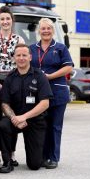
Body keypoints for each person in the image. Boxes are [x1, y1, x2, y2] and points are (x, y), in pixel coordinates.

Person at [0, 44, 53, 173]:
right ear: (14, 58)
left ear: (30, 57)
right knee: (3, 124)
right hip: (15, 119)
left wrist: (24, 117)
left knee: (34, 165)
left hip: (35, 120)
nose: (21, 58)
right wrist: (14, 118)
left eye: (24, 55)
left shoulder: (39, 76)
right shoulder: (10, 78)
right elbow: (4, 104)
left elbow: (45, 103)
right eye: (18, 55)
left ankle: (39, 156)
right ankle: (7, 161)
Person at [30, 18, 74, 169]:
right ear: (39, 31)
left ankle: (53, 157)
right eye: (43, 28)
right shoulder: (32, 48)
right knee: (41, 125)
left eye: (49, 28)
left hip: (57, 91)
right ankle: (41, 156)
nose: (46, 31)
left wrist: (49, 76)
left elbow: (68, 67)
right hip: (38, 93)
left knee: (55, 126)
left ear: (53, 30)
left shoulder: (60, 48)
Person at [0, 5, 25, 166]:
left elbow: (20, 64)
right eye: (2, 19)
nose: (5, 21)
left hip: (12, 83)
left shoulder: (19, 39)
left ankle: (12, 153)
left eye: (8, 18)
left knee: (10, 119)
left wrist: (8, 85)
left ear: (12, 21)